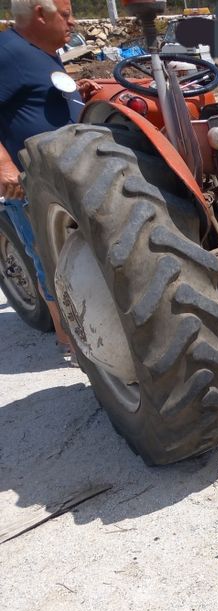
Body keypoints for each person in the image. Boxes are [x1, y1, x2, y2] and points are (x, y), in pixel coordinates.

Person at [0, 0, 100, 349]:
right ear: (40, 15)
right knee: (48, 256)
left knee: (70, 251)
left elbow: (38, 97)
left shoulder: (45, 52)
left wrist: (76, 94)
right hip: (30, 184)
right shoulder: (7, 52)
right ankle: (67, 337)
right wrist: (4, 165)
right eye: (66, 14)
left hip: (63, 180)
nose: (73, 22)